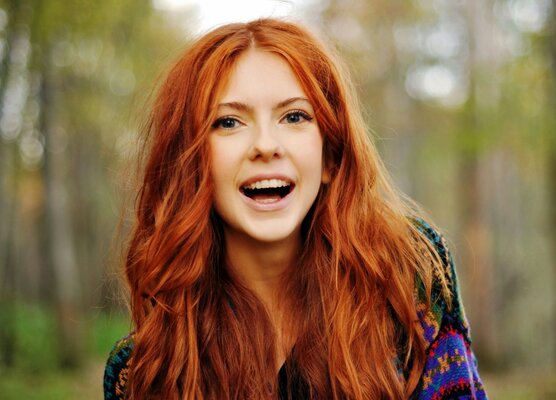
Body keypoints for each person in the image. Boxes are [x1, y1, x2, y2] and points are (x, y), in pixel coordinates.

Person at [103, 18, 487, 399]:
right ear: (190, 164)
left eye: (294, 116)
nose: (266, 145)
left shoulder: (408, 276)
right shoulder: (143, 369)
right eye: (229, 122)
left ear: (330, 157)